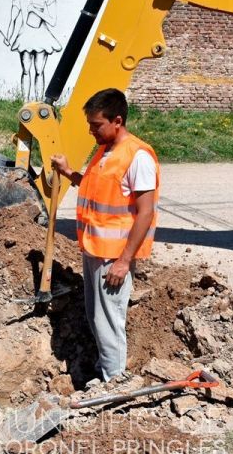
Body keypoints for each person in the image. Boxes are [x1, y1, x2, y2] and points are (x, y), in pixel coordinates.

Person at [51, 88, 159, 382]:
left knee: (108, 320)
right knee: (96, 317)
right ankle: (105, 372)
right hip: (94, 250)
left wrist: (124, 261)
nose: (91, 131)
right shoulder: (105, 151)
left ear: (117, 120)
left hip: (114, 257)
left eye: (96, 125)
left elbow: (145, 212)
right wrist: (69, 172)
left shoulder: (137, 156)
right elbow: (93, 188)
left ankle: (114, 382)